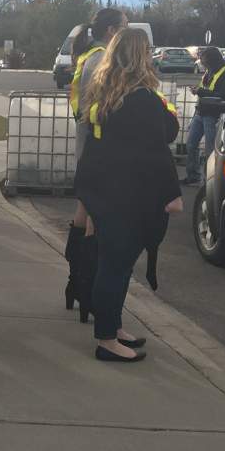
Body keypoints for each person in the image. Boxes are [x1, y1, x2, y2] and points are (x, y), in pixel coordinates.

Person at [74, 27, 183, 363]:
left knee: (113, 263)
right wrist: (173, 193)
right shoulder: (142, 99)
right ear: (141, 56)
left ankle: (114, 327)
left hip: (105, 189)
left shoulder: (105, 92)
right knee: (115, 266)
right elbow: (157, 149)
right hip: (128, 195)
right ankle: (106, 339)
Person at [63, 8, 129, 313]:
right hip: (99, 144)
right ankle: (87, 288)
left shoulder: (87, 56)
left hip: (84, 140)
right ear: (112, 31)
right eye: (124, 28)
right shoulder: (105, 59)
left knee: (83, 211)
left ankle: (75, 282)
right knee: (95, 219)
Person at [181, 45, 225, 186]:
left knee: (210, 150)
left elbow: (222, 96)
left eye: (204, 59)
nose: (202, 62)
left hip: (213, 116)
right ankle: (193, 176)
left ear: (212, 59)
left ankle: (209, 182)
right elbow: (206, 89)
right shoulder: (209, 71)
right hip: (201, 113)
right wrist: (198, 91)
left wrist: (200, 92)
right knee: (191, 144)